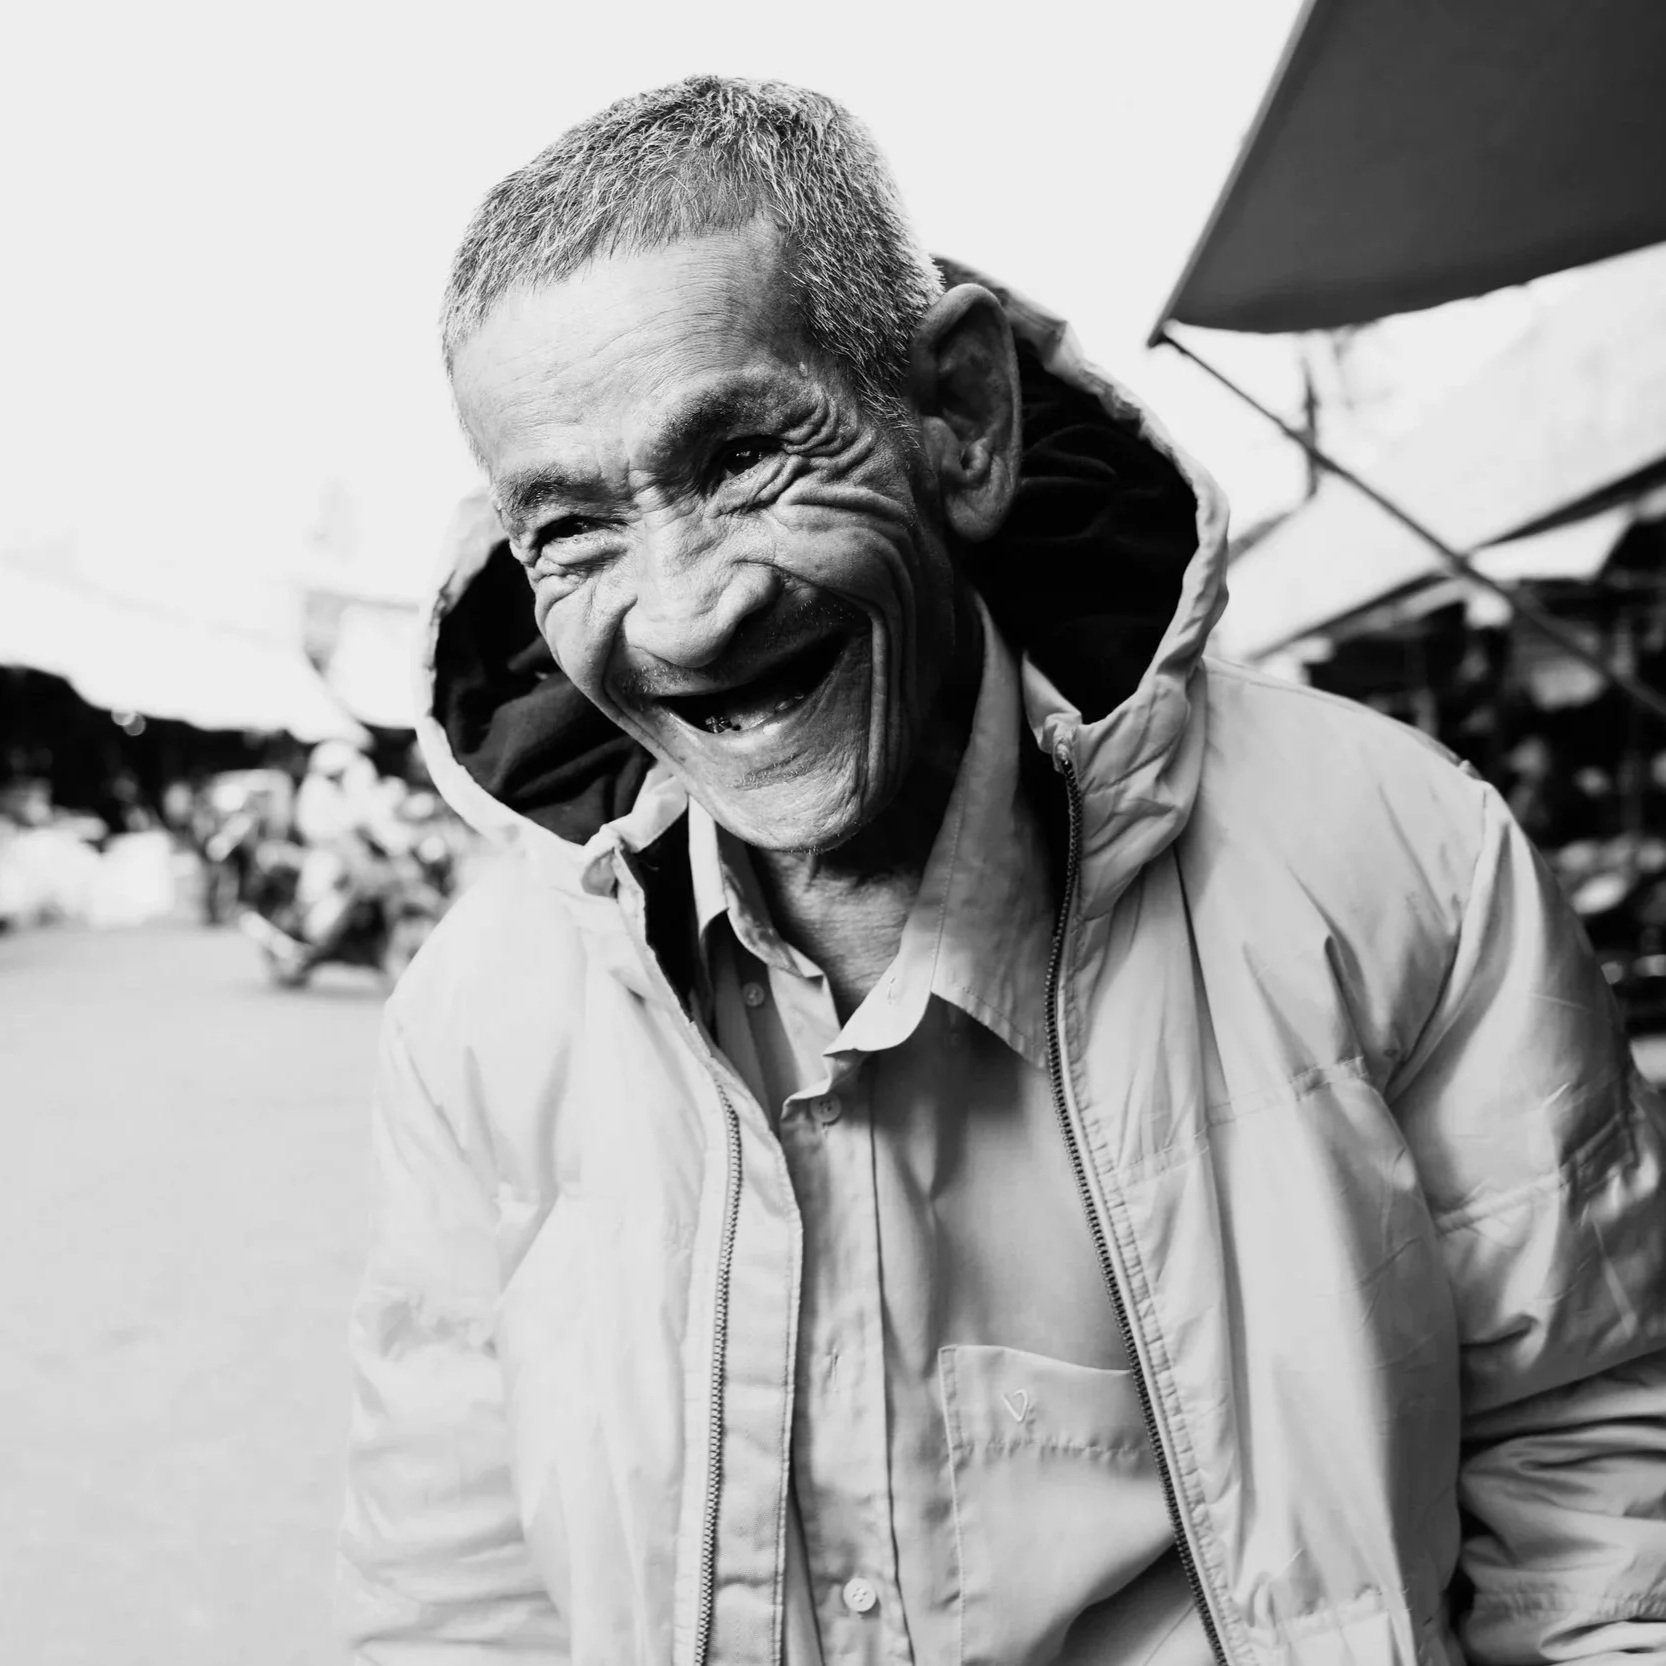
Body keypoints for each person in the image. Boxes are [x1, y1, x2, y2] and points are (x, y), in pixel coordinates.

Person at [338, 77, 1666, 1665]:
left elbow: (1592, 1460)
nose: (681, 613)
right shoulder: (485, 1014)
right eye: (572, 531)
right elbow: (457, 1594)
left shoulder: (1394, 856)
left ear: (958, 416)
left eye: (747, 456)